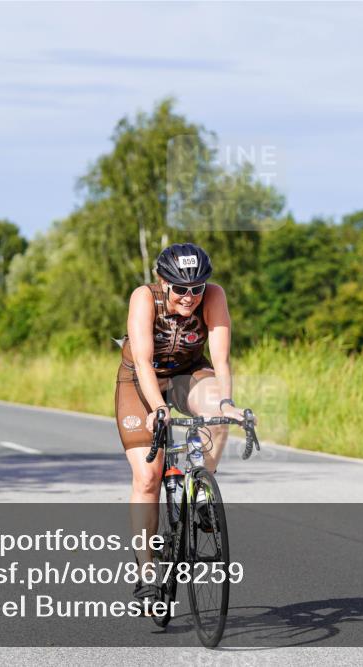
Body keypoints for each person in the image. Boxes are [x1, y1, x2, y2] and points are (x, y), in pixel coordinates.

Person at [115, 243, 249, 604]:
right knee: (148, 476)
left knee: (218, 415)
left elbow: (221, 360)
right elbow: (143, 362)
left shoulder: (213, 296)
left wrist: (227, 403)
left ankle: (203, 490)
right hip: (140, 381)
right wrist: (159, 407)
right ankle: (146, 573)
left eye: (197, 288)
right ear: (164, 282)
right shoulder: (145, 297)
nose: (190, 297)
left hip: (189, 373)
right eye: (180, 289)